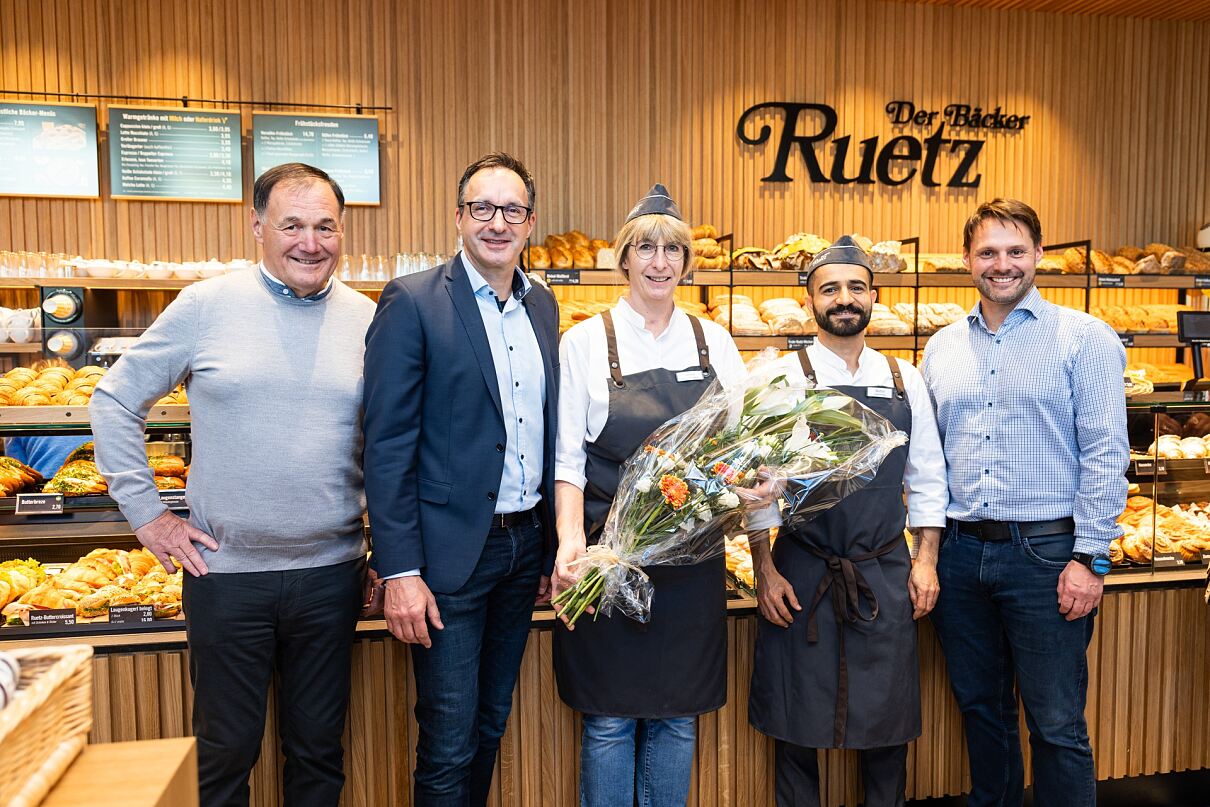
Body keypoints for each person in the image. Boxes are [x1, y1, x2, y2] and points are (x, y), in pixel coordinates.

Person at [91, 162, 377, 807]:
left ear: (342, 231)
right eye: (292, 225)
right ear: (257, 227)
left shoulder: (366, 319)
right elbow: (114, 400)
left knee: (318, 753)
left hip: (333, 575)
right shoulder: (205, 306)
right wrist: (149, 515)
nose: (311, 241)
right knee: (224, 754)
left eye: (326, 226)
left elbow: (388, 446)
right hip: (226, 576)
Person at [363, 152, 559, 806]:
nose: (496, 222)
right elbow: (386, 444)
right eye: (482, 208)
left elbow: (546, 428)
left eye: (511, 210)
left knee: (490, 722)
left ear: (530, 221)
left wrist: (552, 546)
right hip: (447, 559)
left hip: (523, 546)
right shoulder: (414, 301)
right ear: (458, 217)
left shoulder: (544, 307)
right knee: (447, 738)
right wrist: (399, 569)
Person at [921, 199, 1128, 807]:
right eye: (988, 252)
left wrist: (1091, 558)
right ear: (967, 261)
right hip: (960, 557)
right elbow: (929, 459)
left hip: (1047, 554)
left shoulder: (1082, 337)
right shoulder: (941, 349)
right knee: (982, 712)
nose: (1002, 264)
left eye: (1015, 251)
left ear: (1039, 255)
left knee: (1056, 723)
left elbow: (1105, 453)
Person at [550, 184, 749, 807]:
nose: (659, 261)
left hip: (692, 563)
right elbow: (567, 461)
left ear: (687, 263)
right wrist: (570, 546)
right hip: (611, 558)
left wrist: (758, 480)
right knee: (608, 718)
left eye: (672, 250)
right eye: (645, 248)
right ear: (624, 259)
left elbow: (742, 446)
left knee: (677, 716)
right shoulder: (586, 341)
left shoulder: (714, 341)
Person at [745, 236, 947, 807]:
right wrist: (764, 568)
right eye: (829, 288)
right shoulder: (783, 377)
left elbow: (929, 478)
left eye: (855, 287)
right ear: (810, 299)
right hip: (803, 569)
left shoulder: (906, 379)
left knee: (886, 727)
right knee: (795, 725)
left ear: (873, 296)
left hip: (884, 569)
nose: (843, 298)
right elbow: (757, 488)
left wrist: (925, 560)